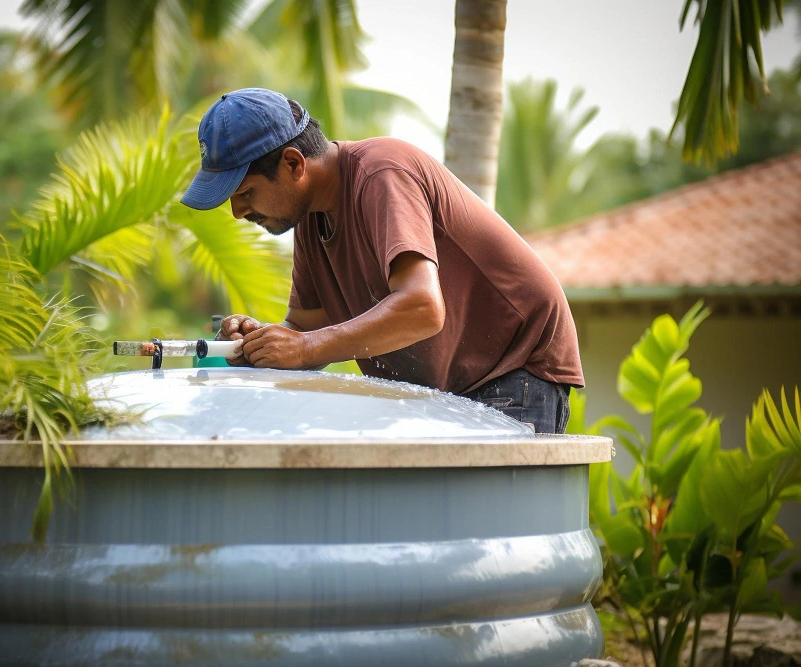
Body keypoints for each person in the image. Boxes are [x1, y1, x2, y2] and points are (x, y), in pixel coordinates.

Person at [180, 88, 583, 434]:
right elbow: (307, 329)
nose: (236, 212)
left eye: (245, 193)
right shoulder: (309, 219)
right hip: (451, 386)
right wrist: (259, 342)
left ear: (293, 164)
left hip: (513, 368)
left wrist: (302, 348)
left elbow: (423, 308)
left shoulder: (381, 173)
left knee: (481, 524)